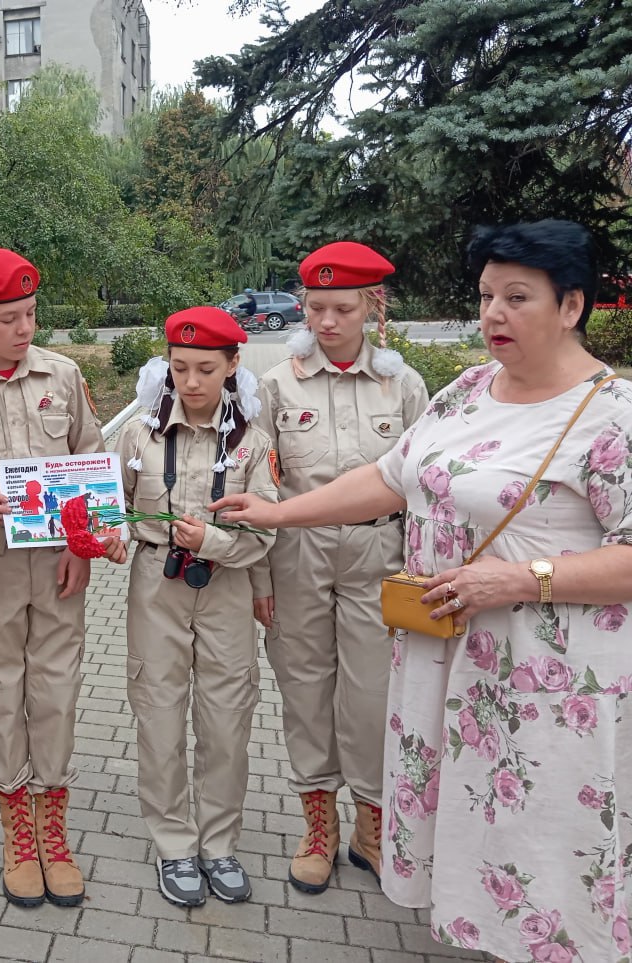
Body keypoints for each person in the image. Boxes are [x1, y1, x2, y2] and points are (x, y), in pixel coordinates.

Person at [213, 219, 632, 963]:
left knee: (543, 838)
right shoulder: (470, 390)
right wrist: (278, 511)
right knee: (481, 829)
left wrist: (523, 578)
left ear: (571, 305)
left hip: (540, 684)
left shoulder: (611, 417)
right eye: (485, 296)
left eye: (517, 297)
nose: (492, 314)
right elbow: (385, 477)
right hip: (447, 666)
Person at [250, 241, 428, 895]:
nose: (327, 322)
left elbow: (424, 488)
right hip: (298, 554)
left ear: (372, 307)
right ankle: (316, 824)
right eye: (316, 307)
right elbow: (259, 486)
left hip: (377, 557)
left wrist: (421, 571)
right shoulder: (277, 383)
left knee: (371, 696)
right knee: (303, 689)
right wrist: (260, 577)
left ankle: (371, 827)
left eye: (342, 308)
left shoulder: (403, 385)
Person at [0, 247, 110, 909]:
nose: (24, 328)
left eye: (31, 313)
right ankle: (16, 824)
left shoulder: (64, 376)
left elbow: (91, 459)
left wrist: (86, 545)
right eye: (9, 317)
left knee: (56, 689)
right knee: (0, 689)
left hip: (59, 564)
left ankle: (53, 824)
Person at [113, 306, 277, 907]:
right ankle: (175, 845)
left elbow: (267, 532)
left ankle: (219, 844)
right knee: (158, 715)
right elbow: (120, 511)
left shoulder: (253, 444)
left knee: (226, 718)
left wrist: (209, 541)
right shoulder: (140, 433)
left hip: (226, 588)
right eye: (179, 368)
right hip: (156, 587)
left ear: (233, 365)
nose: (192, 382)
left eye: (206, 369)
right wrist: (111, 536)